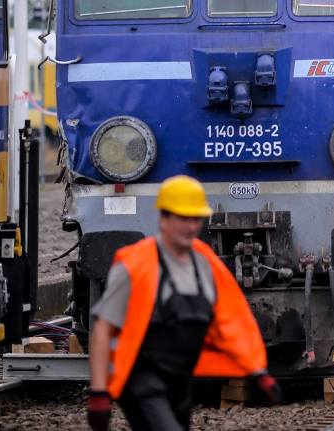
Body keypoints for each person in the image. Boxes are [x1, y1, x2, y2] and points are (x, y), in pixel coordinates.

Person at [87, 176, 280, 431]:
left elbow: (231, 320)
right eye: (183, 219)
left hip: (179, 381)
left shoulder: (205, 263)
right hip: (140, 378)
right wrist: (99, 392)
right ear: (164, 219)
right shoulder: (135, 265)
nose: (191, 227)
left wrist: (258, 371)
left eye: (196, 219)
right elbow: (103, 329)